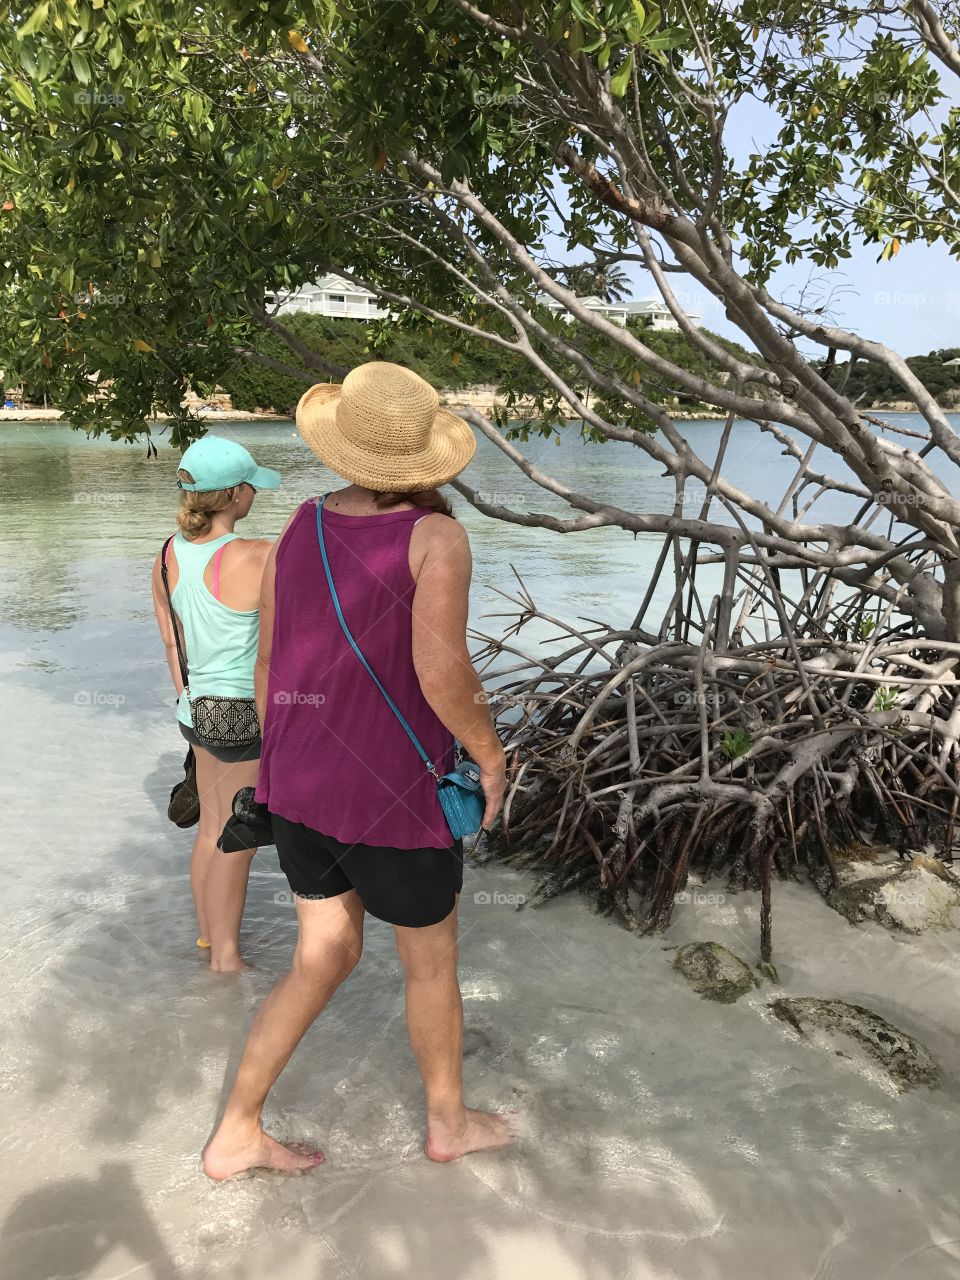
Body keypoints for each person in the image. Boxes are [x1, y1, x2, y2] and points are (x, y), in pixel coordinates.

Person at [203, 362, 509, 1179]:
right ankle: (449, 1123)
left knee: (323, 955)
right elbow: (443, 673)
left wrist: (285, 765)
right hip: (394, 798)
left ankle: (237, 1130)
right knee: (431, 964)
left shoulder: (298, 525)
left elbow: (268, 663)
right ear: (426, 461)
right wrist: (490, 754)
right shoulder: (436, 537)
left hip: (299, 786)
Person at [151, 437, 281, 972]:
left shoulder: (166, 553)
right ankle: (226, 960)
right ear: (233, 495)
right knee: (238, 836)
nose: (255, 493)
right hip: (241, 714)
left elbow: (169, 640)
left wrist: (188, 697)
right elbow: (274, 657)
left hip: (195, 709)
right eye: (251, 484)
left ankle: (209, 939)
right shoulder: (257, 555)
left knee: (209, 828)